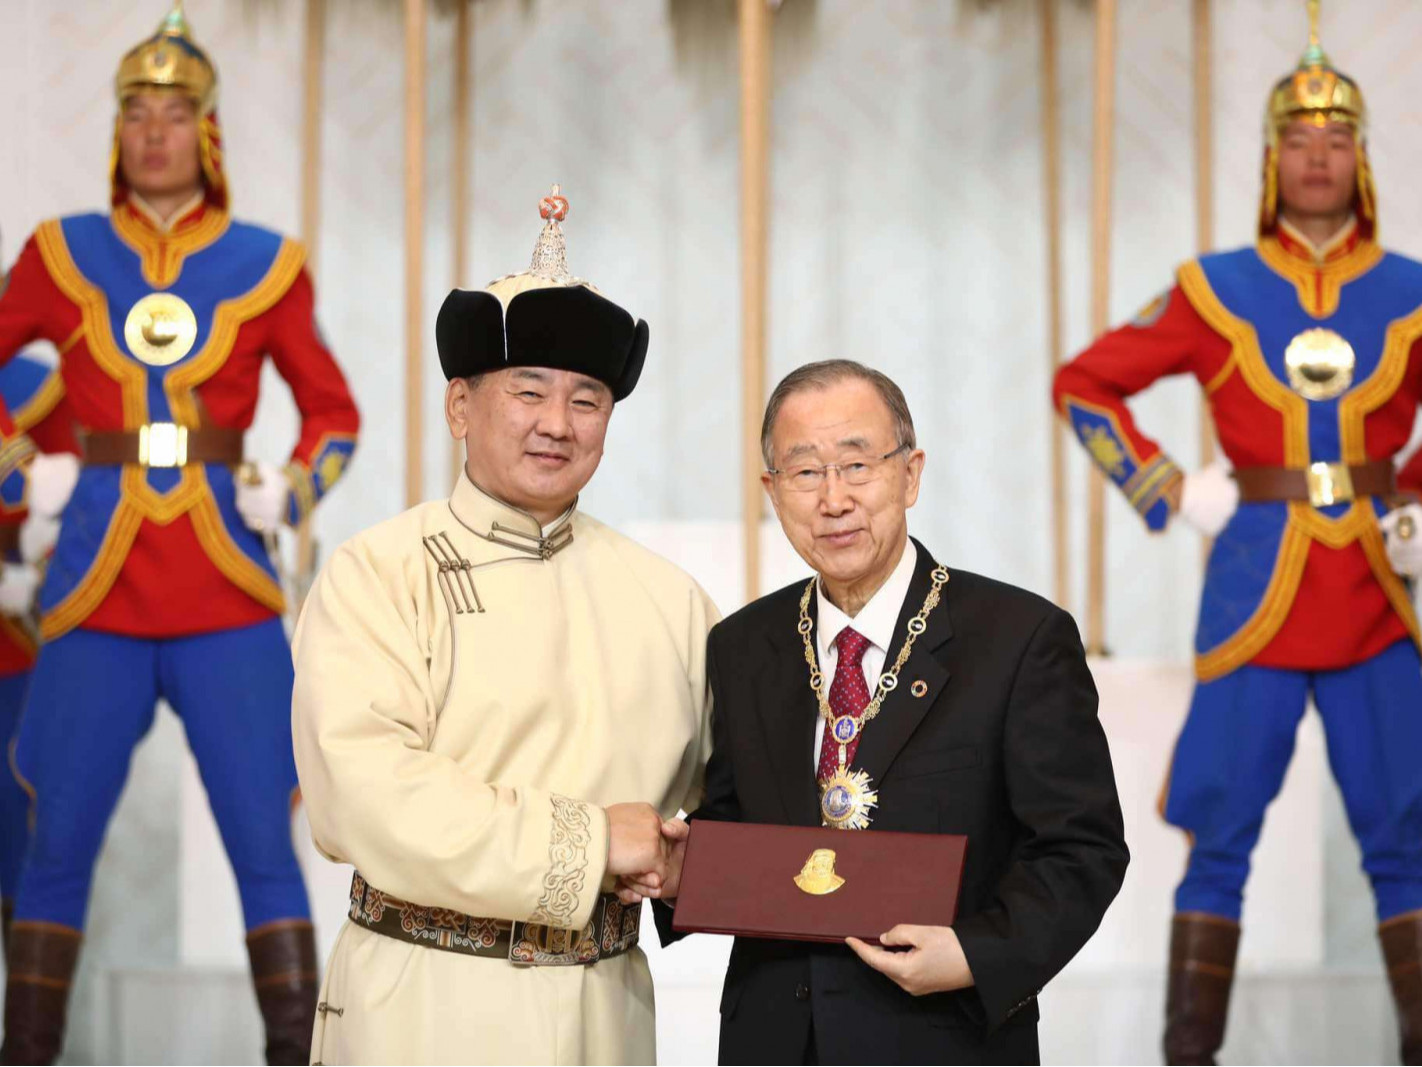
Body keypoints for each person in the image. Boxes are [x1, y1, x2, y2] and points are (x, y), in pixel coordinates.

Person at [1052, 5, 1422, 1064]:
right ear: (1272, 158)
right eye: (1299, 140)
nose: (1318, 157)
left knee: (1407, 838)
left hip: (1379, 596)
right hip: (1256, 588)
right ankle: (1189, 1055)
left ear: (1361, 156)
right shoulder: (1215, 287)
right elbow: (1084, 384)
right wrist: (1171, 487)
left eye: (1337, 138)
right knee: (1219, 835)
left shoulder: (1411, 290)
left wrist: (1419, 502)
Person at [0, 6, 360, 1063]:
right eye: (135, 112)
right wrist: (31, 466)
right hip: (91, 589)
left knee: (263, 837)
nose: (153, 131)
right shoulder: (59, 252)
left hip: (226, 589)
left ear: (207, 130)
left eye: (174, 113)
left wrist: (289, 492)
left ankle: (297, 1054)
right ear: (117, 128)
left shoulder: (267, 261)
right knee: (54, 840)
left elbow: (335, 413)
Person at [291, 186, 717, 1066]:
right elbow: (371, 796)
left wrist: (696, 865)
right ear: (461, 407)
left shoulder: (669, 598)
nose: (556, 424)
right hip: (422, 1003)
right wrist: (596, 842)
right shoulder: (379, 573)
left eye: (587, 400)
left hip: (605, 1011)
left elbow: (746, 794)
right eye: (528, 391)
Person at [642, 359, 1128, 1064]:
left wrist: (974, 953)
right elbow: (744, 819)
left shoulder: (1018, 638)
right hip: (775, 1037)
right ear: (773, 493)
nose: (833, 499)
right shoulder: (743, 646)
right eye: (805, 473)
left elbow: (1082, 847)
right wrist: (684, 867)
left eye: (858, 464)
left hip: (944, 1035)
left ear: (910, 473)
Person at [0, 352, 76, 950]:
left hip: (14, 654)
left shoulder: (34, 388)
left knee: (16, 816)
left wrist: (34, 566)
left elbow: (78, 496)